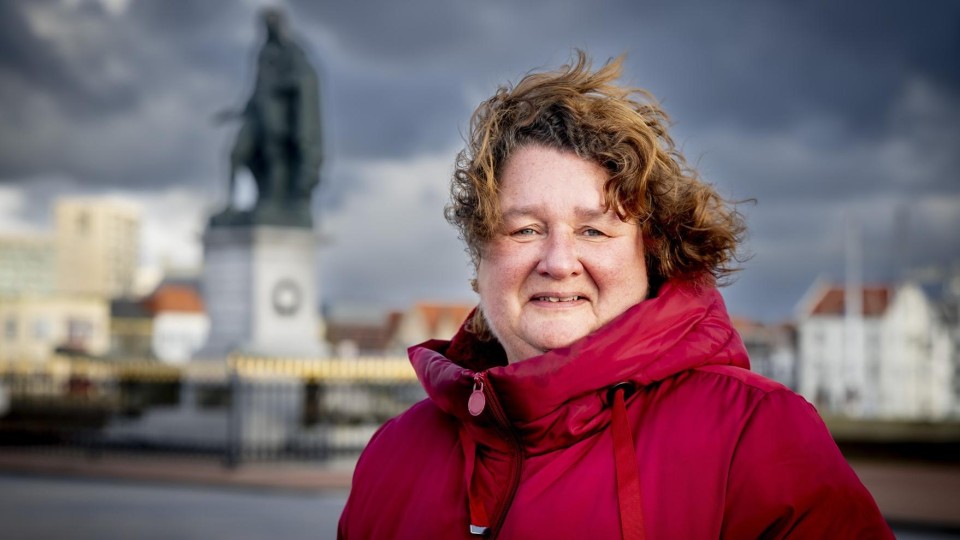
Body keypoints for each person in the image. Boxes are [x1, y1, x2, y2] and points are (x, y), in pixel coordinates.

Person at [338, 52, 893, 539]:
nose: (558, 262)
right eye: (525, 229)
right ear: (480, 257)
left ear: (650, 254)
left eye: (594, 230)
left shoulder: (757, 436)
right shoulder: (395, 456)